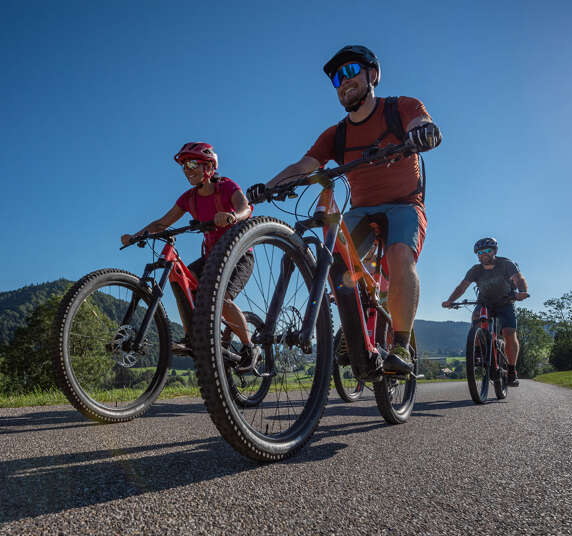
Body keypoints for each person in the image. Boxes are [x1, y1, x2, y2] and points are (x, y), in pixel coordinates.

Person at [248, 45, 441, 375]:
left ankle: (400, 345)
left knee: (399, 256)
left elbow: (420, 122)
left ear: (373, 74)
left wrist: (423, 132)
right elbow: (304, 165)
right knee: (336, 261)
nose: (343, 82)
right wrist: (267, 187)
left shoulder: (401, 108)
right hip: (362, 210)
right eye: (337, 78)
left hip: (404, 205)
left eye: (351, 71)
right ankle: (354, 329)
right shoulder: (336, 134)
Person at [121, 142, 260, 371]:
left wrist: (232, 217)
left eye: (193, 164)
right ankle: (190, 338)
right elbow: (162, 223)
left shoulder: (226, 187)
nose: (188, 170)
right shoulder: (189, 198)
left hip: (239, 255)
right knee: (179, 278)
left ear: (209, 166)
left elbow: (245, 208)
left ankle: (249, 346)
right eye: (184, 166)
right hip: (213, 257)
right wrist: (136, 236)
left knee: (221, 298)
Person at [442, 237, 530, 386]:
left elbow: (518, 278)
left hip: (505, 302)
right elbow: (462, 287)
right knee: (476, 318)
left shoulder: (506, 264)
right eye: (480, 252)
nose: (484, 254)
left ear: (494, 251)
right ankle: (476, 352)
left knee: (509, 333)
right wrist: (450, 300)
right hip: (485, 303)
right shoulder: (475, 270)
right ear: (477, 255)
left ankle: (511, 370)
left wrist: (522, 291)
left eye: (488, 251)